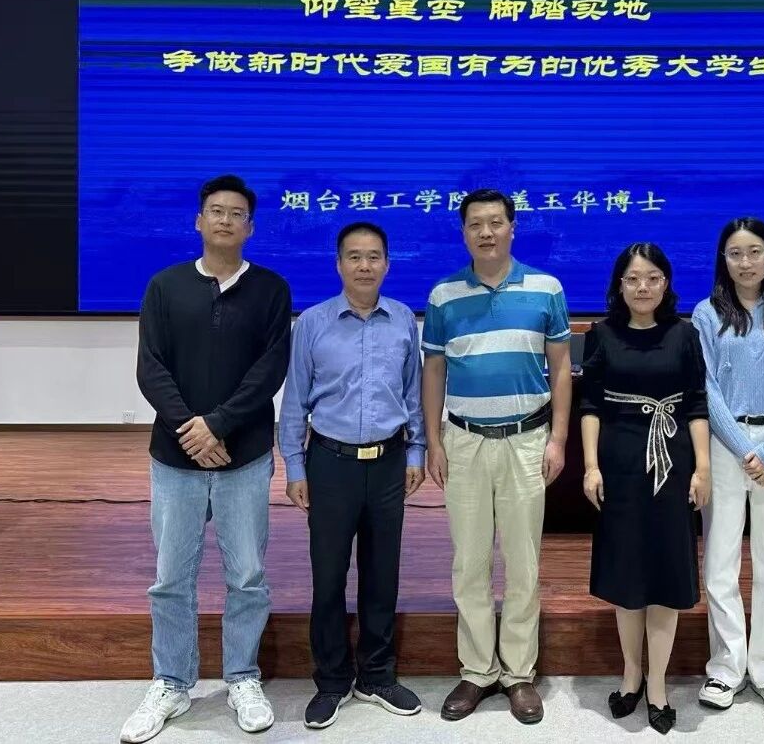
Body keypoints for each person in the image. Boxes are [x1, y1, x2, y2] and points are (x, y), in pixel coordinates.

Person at [122, 175, 292, 744]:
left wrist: (218, 423)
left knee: (247, 575)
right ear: (199, 221)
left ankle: (242, 676)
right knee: (171, 577)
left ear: (250, 226)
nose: (225, 220)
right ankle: (171, 682)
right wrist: (191, 430)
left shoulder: (271, 290)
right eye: (216, 211)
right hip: (175, 459)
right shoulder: (165, 286)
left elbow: (269, 370)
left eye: (236, 213)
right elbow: (151, 367)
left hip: (244, 456)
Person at [422, 189, 573, 726]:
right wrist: (434, 440)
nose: (485, 233)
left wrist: (558, 439)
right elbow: (434, 371)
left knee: (523, 562)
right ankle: (477, 671)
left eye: (495, 223)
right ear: (463, 232)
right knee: (469, 562)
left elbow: (561, 368)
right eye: (475, 225)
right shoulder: (443, 295)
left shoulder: (546, 288)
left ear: (512, 227)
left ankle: (518, 674)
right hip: (463, 441)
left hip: (527, 441)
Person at [278, 222, 427, 730]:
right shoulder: (313, 323)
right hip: (330, 463)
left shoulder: (403, 319)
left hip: (388, 463)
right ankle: (332, 680)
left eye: (374, 256)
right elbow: (295, 401)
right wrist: (295, 466)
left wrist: (416, 452)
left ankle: (377, 676)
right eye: (354, 256)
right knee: (328, 577)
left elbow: (412, 395)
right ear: (339, 263)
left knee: (382, 574)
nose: (365, 266)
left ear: (388, 263)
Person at [580, 243, 710, 735]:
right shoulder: (601, 335)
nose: (642, 287)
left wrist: (702, 469)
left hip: (672, 464)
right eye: (633, 278)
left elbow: (696, 404)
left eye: (653, 278)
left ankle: (658, 683)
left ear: (666, 283)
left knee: (665, 573)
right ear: (619, 284)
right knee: (627, 574)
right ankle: (631, 674)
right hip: (619, 465)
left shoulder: (684, 335)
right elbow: (591, 406)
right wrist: (591, 466)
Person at [691, 217, 764, 720]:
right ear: (723, 259)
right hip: (725, 446)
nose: (745, 262)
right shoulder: (706, 314)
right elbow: (707, 390)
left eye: (754, 251)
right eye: (735, 253)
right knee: (720, 561)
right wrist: (745, 450)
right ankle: (725, 667)